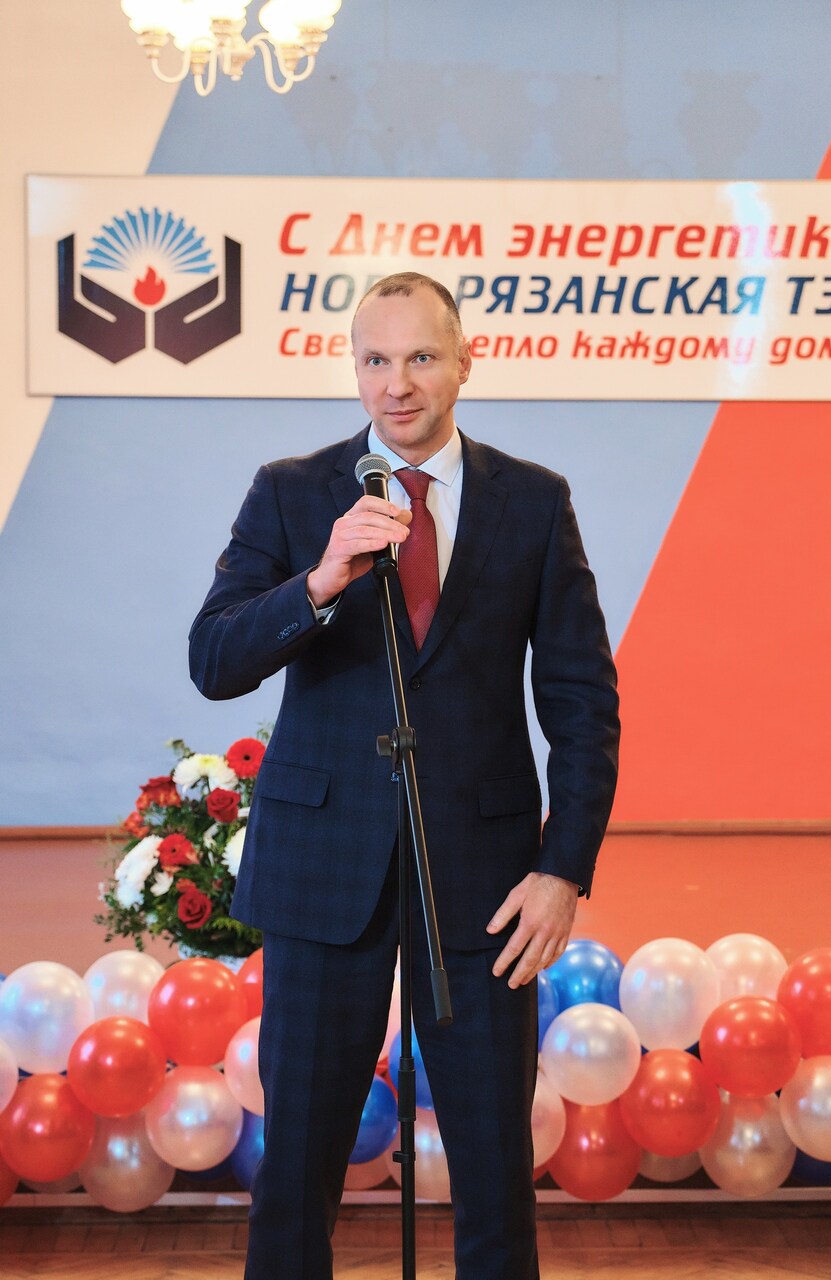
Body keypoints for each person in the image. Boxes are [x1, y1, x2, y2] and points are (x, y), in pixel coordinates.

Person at [189, 272, 619, 1280]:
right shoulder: (292, 491)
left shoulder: (533, 501)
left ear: (464, 361)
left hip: (484, 880)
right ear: (354, 368)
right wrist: (318, 580)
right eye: (375, 359)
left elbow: (581, 703)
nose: (396, 384)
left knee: (494, 1172)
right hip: (320, 869)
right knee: (297, 1168)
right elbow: (213, 658)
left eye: (420, 356)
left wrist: (562, 867)